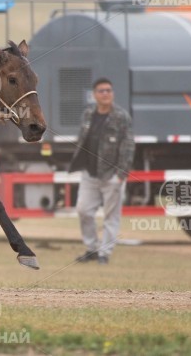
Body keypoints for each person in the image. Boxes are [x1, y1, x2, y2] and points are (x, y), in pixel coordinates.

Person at [68, 78, 134, 265]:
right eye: (101, 91)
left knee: (111, 216)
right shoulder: (88, 114)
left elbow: (128, 146)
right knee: (83, 210)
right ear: (94, 95)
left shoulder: (121, 116)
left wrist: (121, 175)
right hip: (90, 173)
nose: (106, 94)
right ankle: (92, 249)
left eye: (108, 90)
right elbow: (82, 139)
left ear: (113, 93)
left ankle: (104, 253)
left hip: (111, 174)